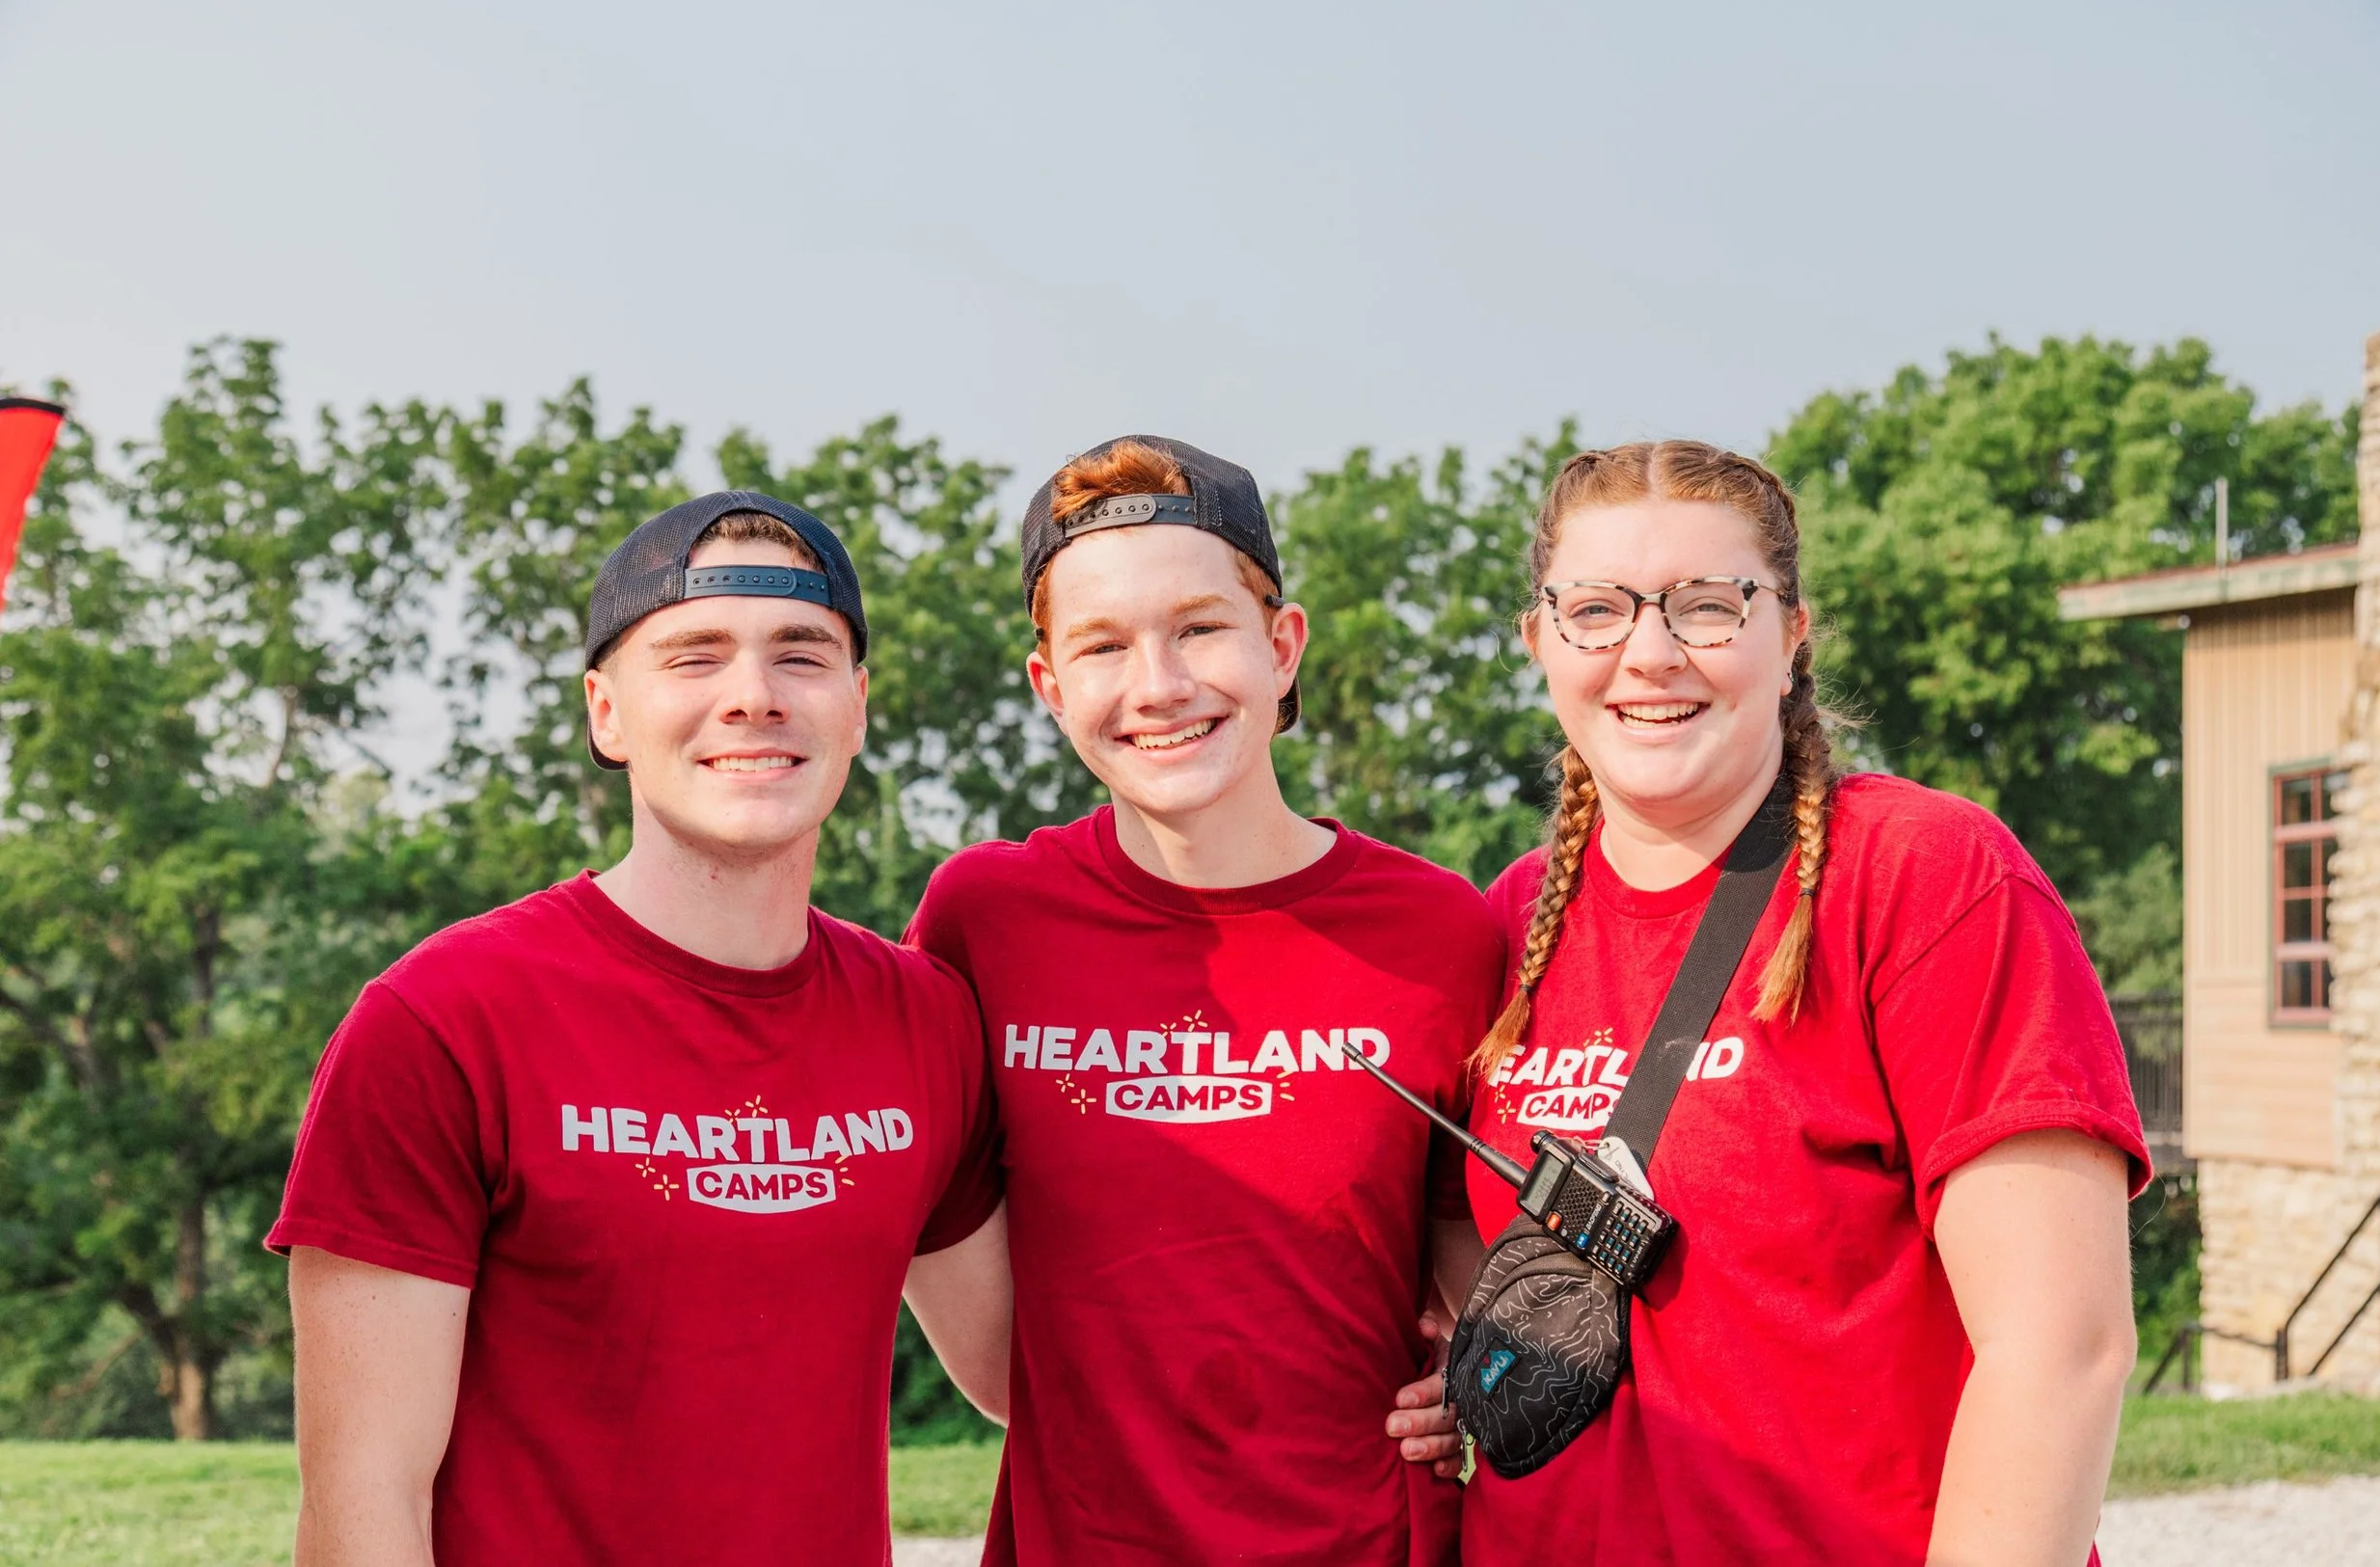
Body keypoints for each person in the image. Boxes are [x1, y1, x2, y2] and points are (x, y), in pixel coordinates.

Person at [1386, 442, 2149, 1566]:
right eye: (1595, 609)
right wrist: (1461, 1378)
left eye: (1706, 605)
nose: (1648, 653)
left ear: (1788, 636)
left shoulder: (1921, 877)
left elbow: (2061, 1347)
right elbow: (1466, 1256)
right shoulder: (1493, 930)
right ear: (1540, 640)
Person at [270, 493, 1009, 1567]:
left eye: (800, 655)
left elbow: (1015, 1369)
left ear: (857, 707)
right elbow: (361, 1502)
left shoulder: (925, 1020)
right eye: (694, 657)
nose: (752, 697)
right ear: (605, 712)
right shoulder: (441, 1020)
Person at [906, 435, 1503, 1566]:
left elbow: (1476, 1283)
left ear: (1282, 647)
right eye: (1101, 646)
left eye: (1199, 627)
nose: (1159, 685)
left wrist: (1471, 1382)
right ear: (1049, 686)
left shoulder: (1439, 935)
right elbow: (1000, 1369)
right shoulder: (983, 920)